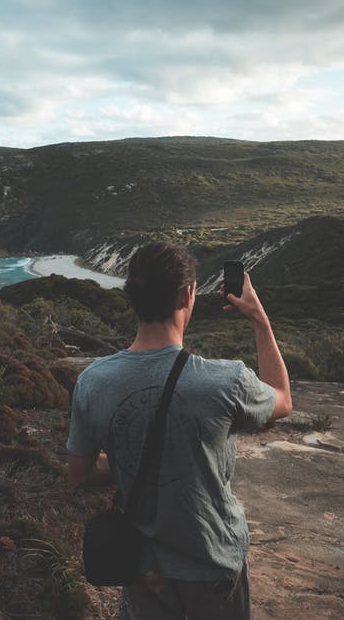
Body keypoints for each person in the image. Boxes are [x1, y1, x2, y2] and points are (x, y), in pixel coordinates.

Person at [67, 242, 292, 620]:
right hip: (214, 561)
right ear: (188, 294)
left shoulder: (93, 382)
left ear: (132, 297)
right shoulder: (226, 381)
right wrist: (259, 319)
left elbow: (81, 473)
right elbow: (283, 399)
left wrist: (128, 455)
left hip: (143, 567)